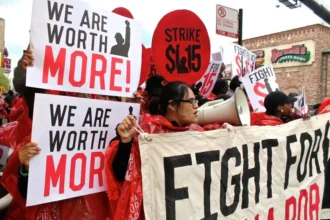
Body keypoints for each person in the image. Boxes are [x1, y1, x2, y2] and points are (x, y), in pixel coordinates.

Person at [105, 81, 203, 219]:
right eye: (191, 101)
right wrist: (126, 142)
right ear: (172, 105)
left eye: (196, 100)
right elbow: (121, 174)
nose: (196, 105)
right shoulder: (146, 133)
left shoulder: (198, 132)